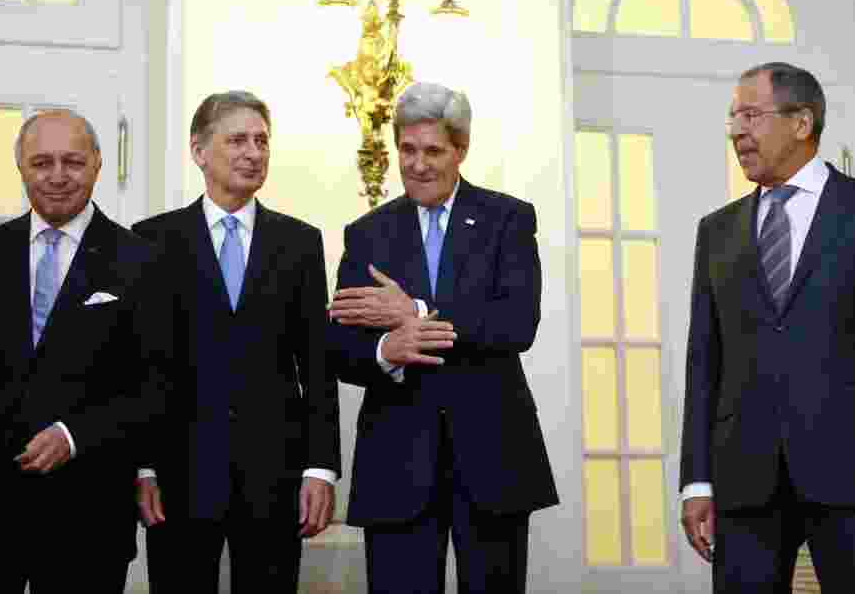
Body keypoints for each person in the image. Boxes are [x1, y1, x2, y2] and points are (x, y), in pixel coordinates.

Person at [679, 62, 855, 592]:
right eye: (733, 118)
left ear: (802, 123)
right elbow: (704, 363)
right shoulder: (716, 231)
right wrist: (697, 480)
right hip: (745, 479)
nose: (737, 130)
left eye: (751, 115)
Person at [328, 81, 558, 594]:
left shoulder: (508, 220)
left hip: (492, 456)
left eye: (433, 151)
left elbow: (517, 323)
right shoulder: (367, 234)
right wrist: (388, 349)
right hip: (396, 460)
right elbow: (342, 350)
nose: (417, 164)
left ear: (461, 151)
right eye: (407, 150)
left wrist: (415, 312)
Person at [0, 110, 171, 593]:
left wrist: (75, 434)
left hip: (86, 513)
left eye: (73, 161)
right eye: (42, 162)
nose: (58, 175)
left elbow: (158, 386)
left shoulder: (142, 260)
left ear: (98, 165)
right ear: (20, 167)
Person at [132, 90, 340, 593]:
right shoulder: (151, 240)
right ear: (199, 151)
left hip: (274, 475)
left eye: (262, 141)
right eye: (238, 140)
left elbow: (316, 363)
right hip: (179, 474)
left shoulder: (300, 243)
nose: (253, 152)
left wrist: (321, 468)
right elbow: (140, 367)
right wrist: (142, 466)